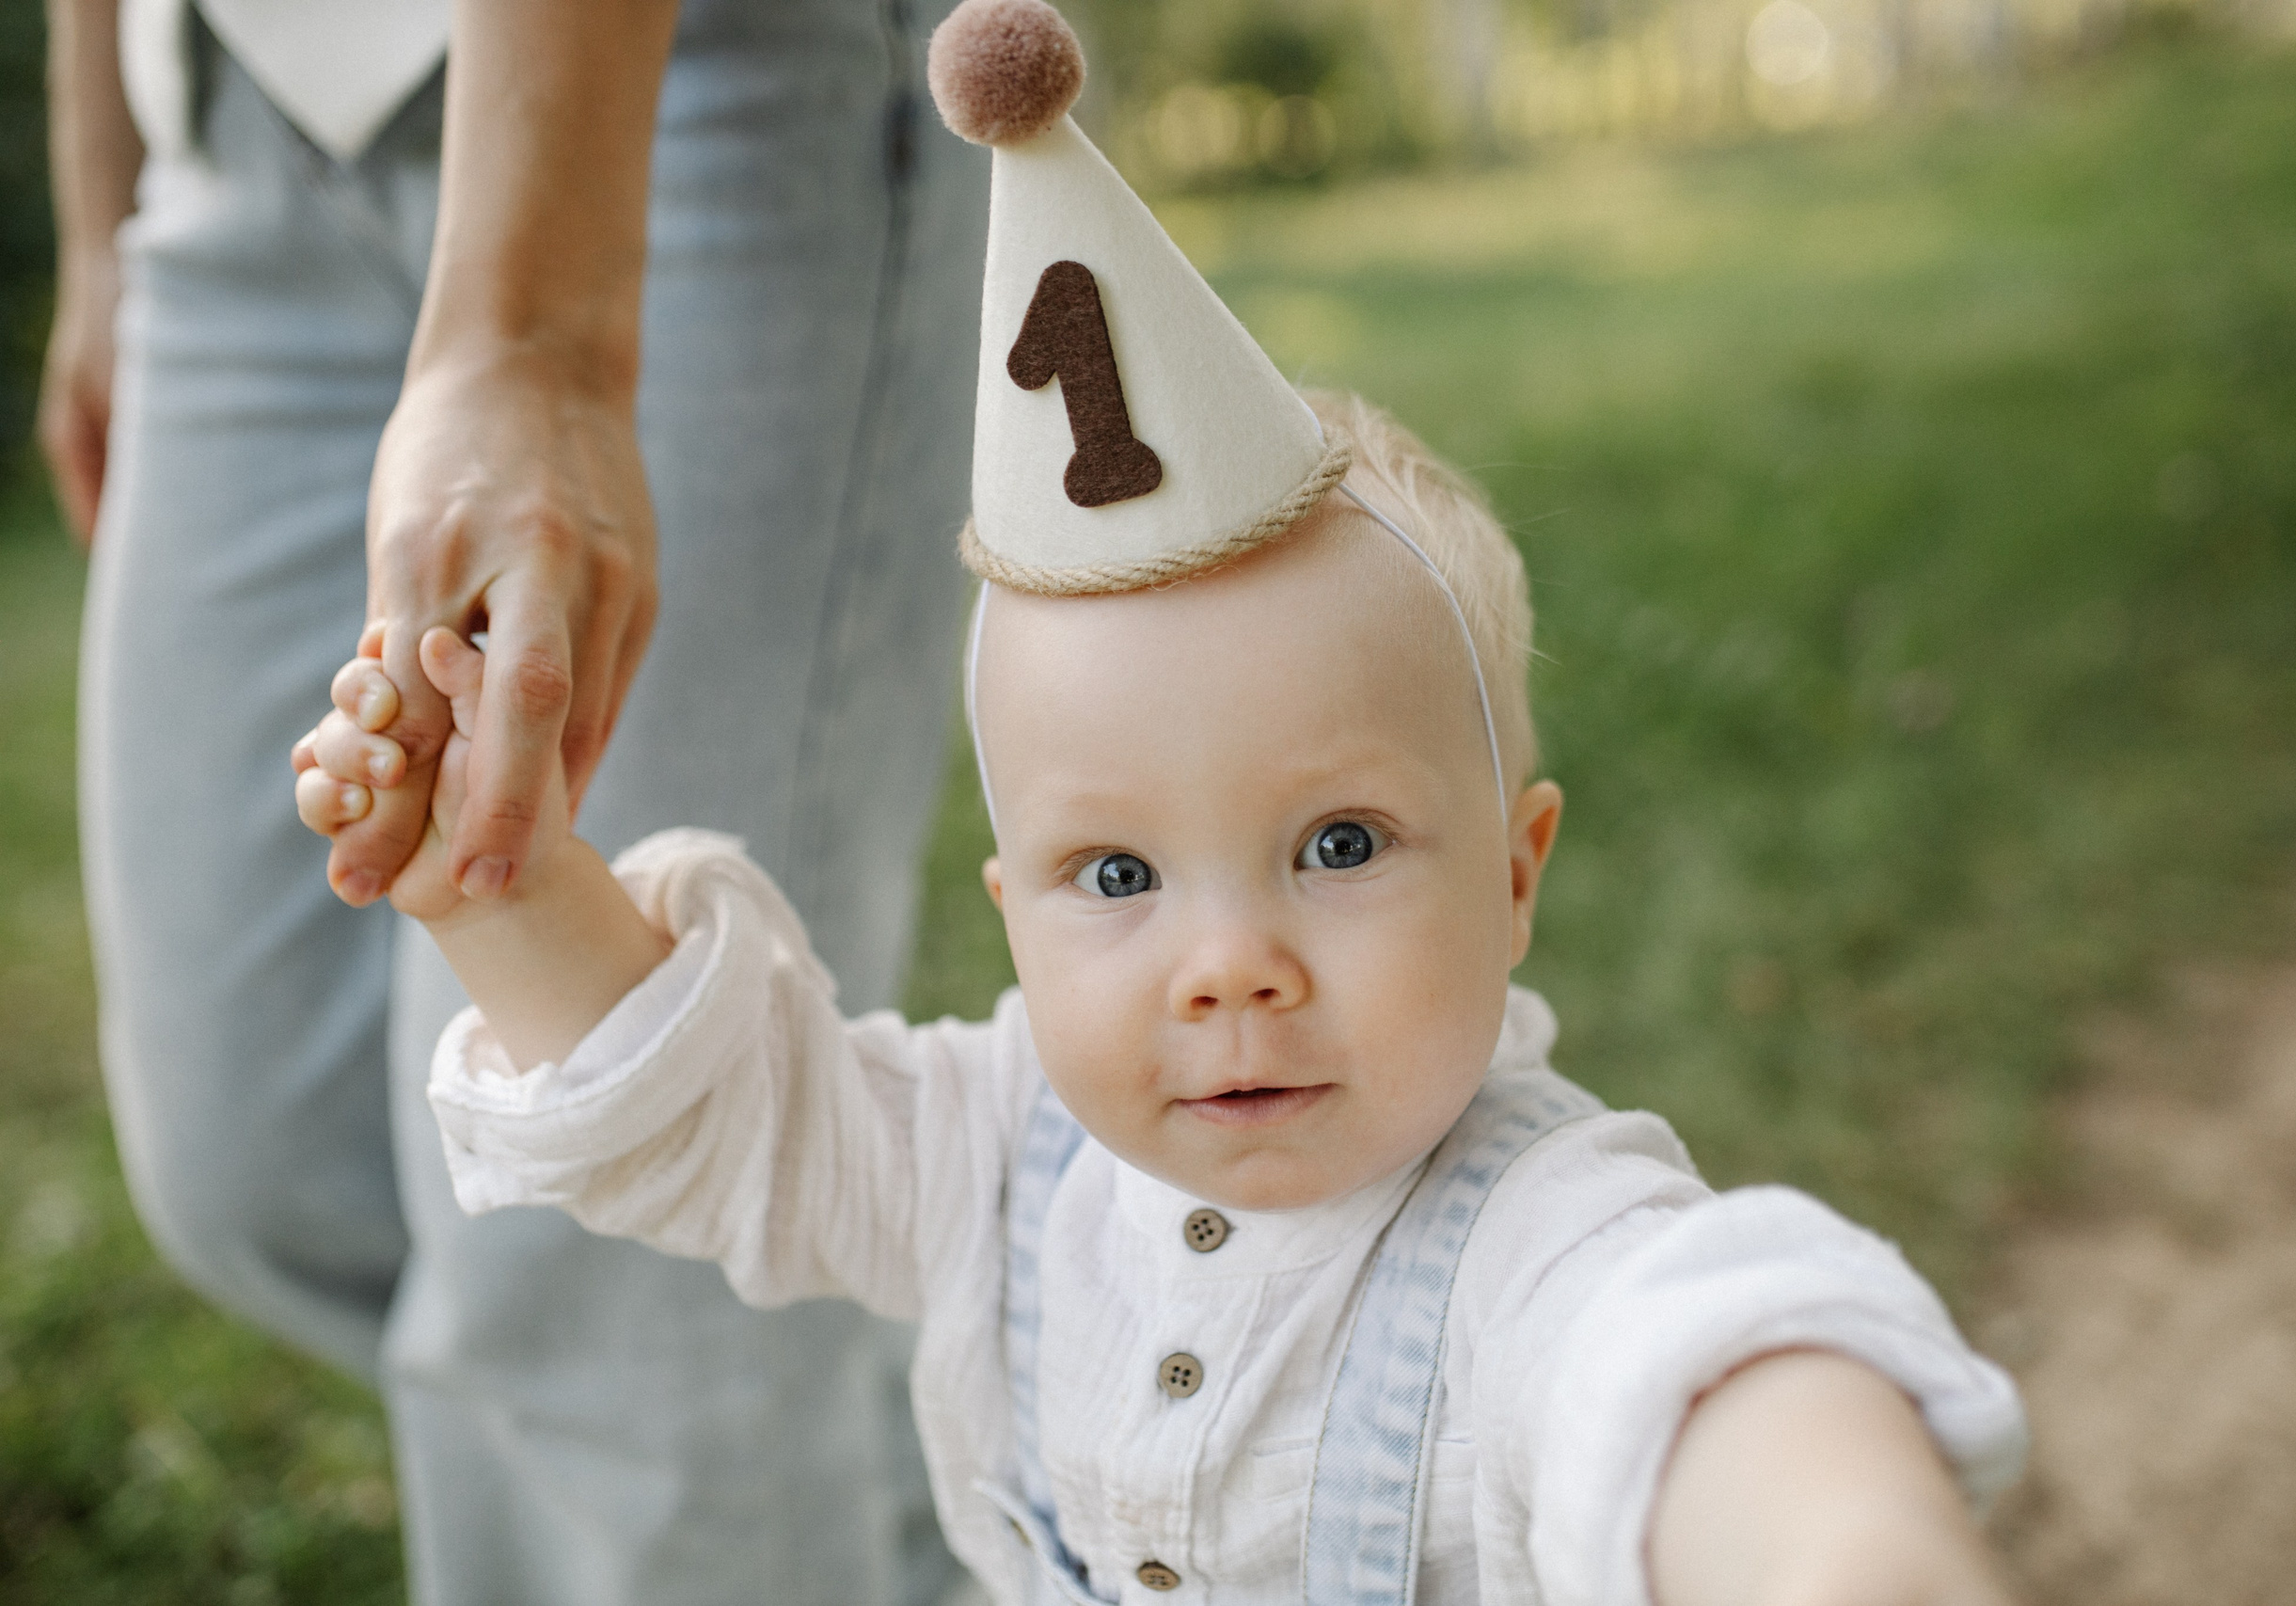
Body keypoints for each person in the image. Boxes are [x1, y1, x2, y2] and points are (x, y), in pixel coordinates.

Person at [293, 9, 2027, 1597]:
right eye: (1114, 871)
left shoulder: (1525, 1246)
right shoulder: (1003, 1160)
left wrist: (1842, 1547)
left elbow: (1692, 1353)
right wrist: (496, 877)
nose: (1228, 964)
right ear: (1013, 916)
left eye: (1338, 846)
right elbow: (728, 1114)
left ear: (1518, 874)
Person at [46, 0, 980, 1599]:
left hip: (697, 78)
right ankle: (921, 1518)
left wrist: (536, 340)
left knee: (607, 1273)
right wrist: (98, 200)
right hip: (234, 115)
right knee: (258, 1157)